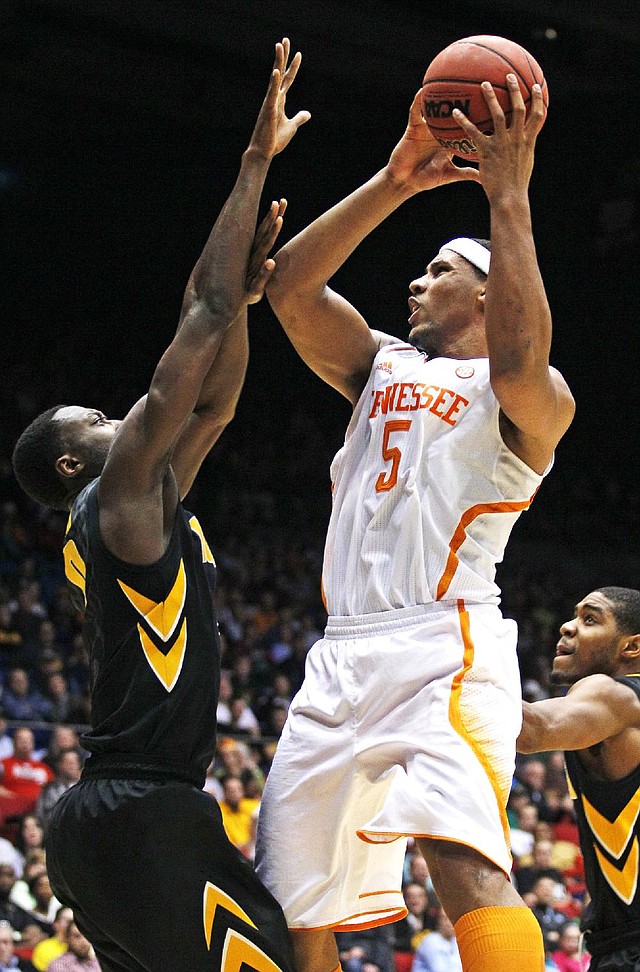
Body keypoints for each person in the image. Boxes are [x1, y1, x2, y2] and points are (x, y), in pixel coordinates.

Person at [255, 69, 575, 972]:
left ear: (486, 293)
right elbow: (290, 289)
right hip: (341, 651)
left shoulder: (528, 397)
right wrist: (397, 178)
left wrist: (507, 192)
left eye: (439, 270)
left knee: (461, 860)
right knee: (290, 902)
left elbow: (522, 348)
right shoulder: (379, 369)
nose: (415, 280)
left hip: (446, 646)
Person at [10, 38, 309, 972]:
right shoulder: (117, 491)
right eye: (96, 418)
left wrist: (250, 304)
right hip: (140, 809)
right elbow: (201, 315)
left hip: (127, 816)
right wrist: (255, 163)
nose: (118, 418)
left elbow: (215, 399)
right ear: (70, 461)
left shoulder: (140, 501)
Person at [518, 586, 640, 971]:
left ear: (631, 647)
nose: (567, 627)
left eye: (590, 619)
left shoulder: (615, 694)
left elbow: (530, 729)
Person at [411, 908, 462, 972]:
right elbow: (439, 969)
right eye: (446, 919)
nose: (450, 924)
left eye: (454, 920)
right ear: (439, 921)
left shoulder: (455, 941)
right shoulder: (430, 941)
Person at [31, 906, 73, 972]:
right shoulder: (44, 948)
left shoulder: (83, 948)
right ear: (56, 923)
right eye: (67, 921)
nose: (71, 926)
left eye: (73, 922)